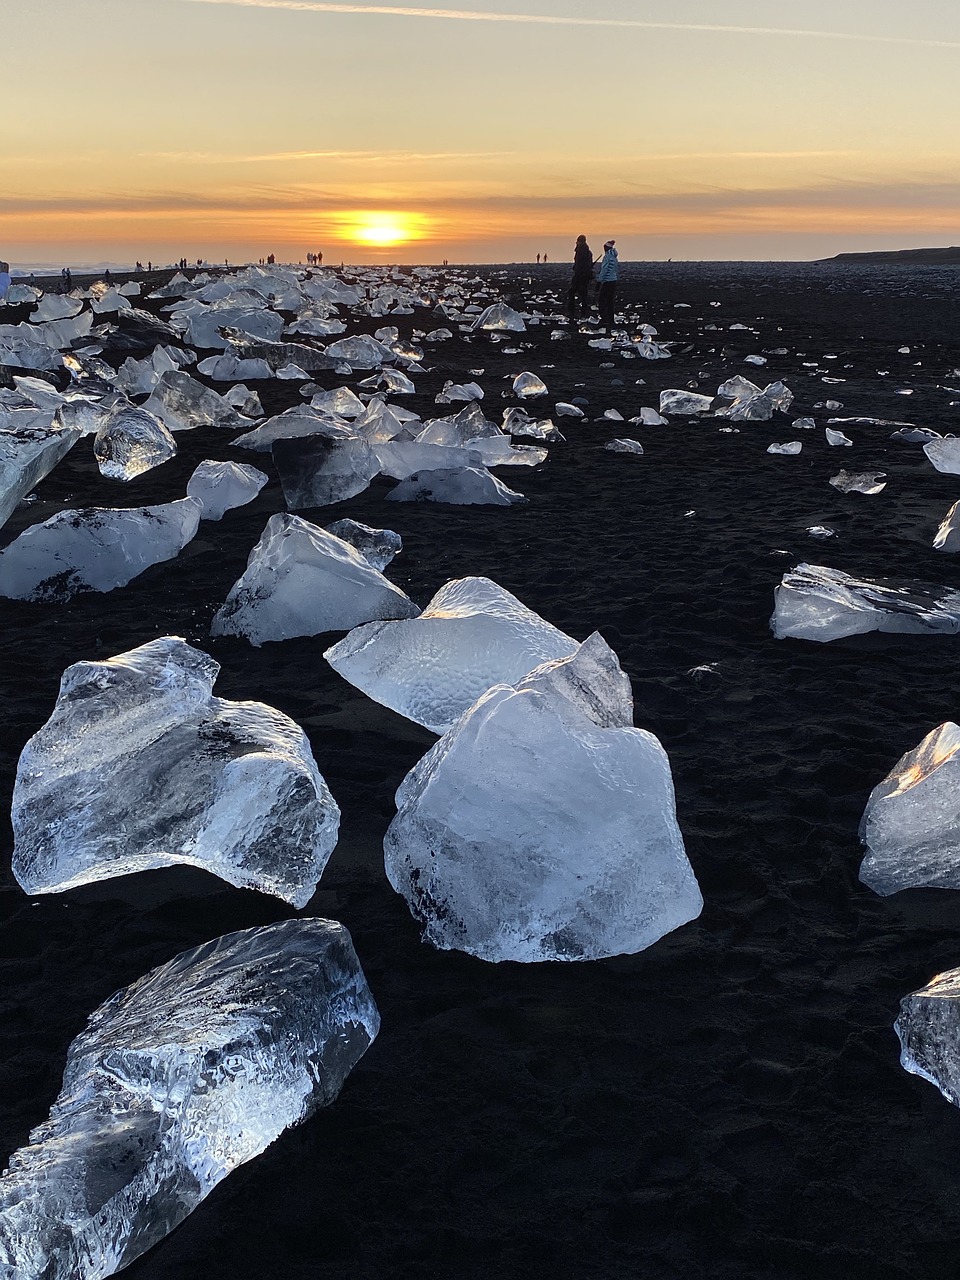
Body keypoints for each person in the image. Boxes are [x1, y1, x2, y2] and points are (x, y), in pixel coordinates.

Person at [567, 235, 594, 321]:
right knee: (583, 296)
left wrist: (576, 270)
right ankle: (583, 313)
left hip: (579, 276)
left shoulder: (580, 251)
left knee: (571, 293)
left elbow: (578, 265)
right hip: (585, 276)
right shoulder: (588, 252)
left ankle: (571, 313)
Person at [597, 239, 619, 331]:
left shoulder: (607, 257)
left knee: (601, 300)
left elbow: (604, 269)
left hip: (607, 281)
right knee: (610, 301)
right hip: (613, 280)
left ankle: (604, 318)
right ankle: (611, 319)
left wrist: (599, 281)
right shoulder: (614, 257)